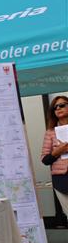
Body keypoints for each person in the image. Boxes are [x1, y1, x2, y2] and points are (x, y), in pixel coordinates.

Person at [41, 96, 68, 228]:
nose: (58, 108)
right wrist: (57, 152)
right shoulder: (50, 133)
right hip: (61, 180)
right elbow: (44, 159)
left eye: (62, 105)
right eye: (55, 107)